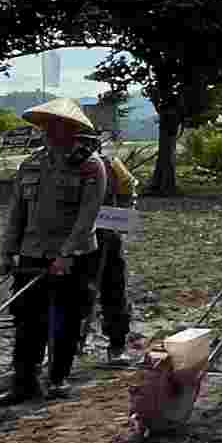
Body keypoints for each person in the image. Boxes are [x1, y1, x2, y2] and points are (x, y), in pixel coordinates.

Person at [0, 98, 107, 405]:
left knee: (67, 319)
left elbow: (87, 216)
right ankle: (24, 382)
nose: (49, 131)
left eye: (57, 125)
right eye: (46, 125)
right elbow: (16, 211)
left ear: (72, 129)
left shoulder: (90, 165)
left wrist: (66, 254)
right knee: (27, 319)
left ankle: (57, 378)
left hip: (74, 255)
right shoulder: (30, 164)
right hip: (32, 252)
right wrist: (6, 252)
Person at [84, 129, 137, 366]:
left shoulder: (110, 164)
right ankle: (75, 341)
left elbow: (128, 191)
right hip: (68, 240)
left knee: (113, 289)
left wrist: (116, 222)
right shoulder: (54, 165)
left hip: (106, 237)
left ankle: (116, 344)